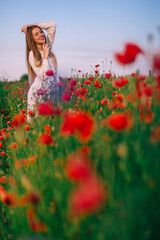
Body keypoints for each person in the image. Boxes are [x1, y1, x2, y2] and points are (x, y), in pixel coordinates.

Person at [21, 21, 59, 122]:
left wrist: (30, 25)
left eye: (41, 32)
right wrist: (45, 56)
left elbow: (52, 25)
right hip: (37, 94)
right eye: (36, 34)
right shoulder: (32, 54)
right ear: (31, 39)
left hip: (51, 93)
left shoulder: (47, 45)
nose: (41, 35)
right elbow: (43, 76)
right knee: (35, 124)